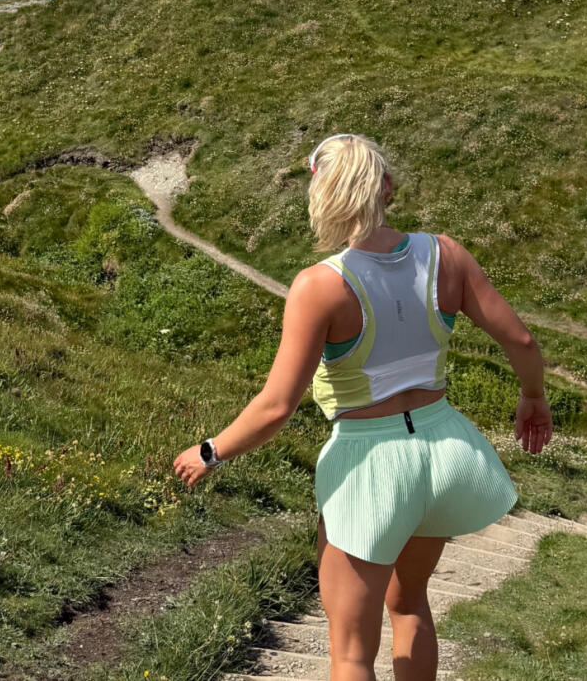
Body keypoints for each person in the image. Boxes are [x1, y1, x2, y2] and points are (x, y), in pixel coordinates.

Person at [173, 133, 553, 681]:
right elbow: (520, 342)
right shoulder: (447, 255)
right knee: (410, 604)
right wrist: (533, 398)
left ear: (320, 197)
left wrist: (210, 452)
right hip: (445, 447)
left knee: (350, 650)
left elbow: (277, 406)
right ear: (388, 188)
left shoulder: (319, 286)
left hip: (370, 464)